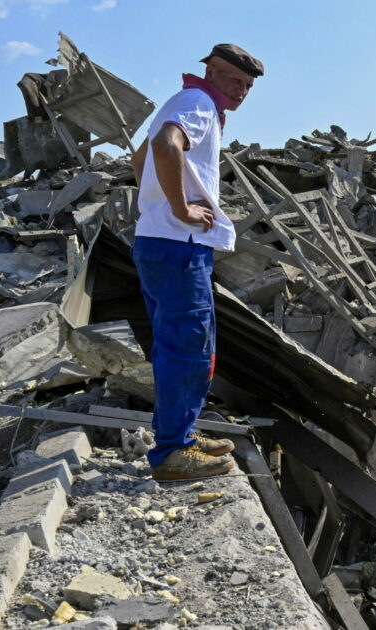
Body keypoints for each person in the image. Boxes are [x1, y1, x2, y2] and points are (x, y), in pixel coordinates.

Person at [129, 44, 264, 480]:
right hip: (179, 245)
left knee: (175, 342)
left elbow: (140, 157)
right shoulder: (200, 104)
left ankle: (180, 435)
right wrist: (181, 209)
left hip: (159, 240)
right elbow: (168, 144)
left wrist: (158, 201)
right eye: (234, 80)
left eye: (247, 85)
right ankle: (173, 453)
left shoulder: (184, 100)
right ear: (211, 71)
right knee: (190, 347)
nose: (241, 91)